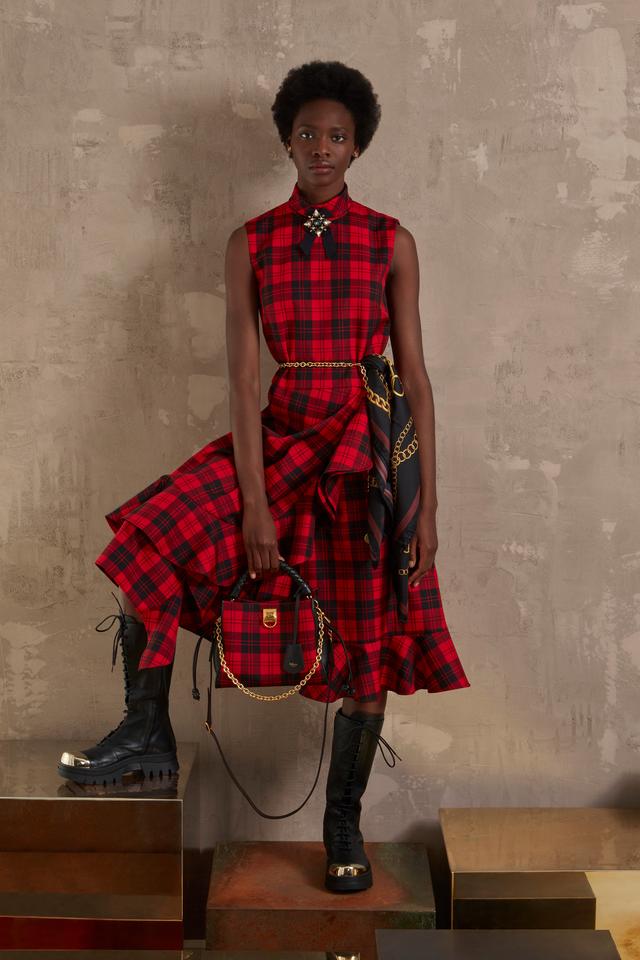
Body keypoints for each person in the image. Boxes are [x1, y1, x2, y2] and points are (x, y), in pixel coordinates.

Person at [57, 59, 471, 893]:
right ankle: (145, 732)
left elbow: (417, 380)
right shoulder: (252, 242)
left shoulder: (391, 240)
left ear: (357, 148)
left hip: (363, 453)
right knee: (152, 538)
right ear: (287, 140)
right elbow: (245, 382)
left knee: (367, 634)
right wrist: (254, 505)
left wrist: (426, 507)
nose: (322, 147)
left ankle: (343, 820)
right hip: (279, 440)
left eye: (337, 136)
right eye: (308, 133)